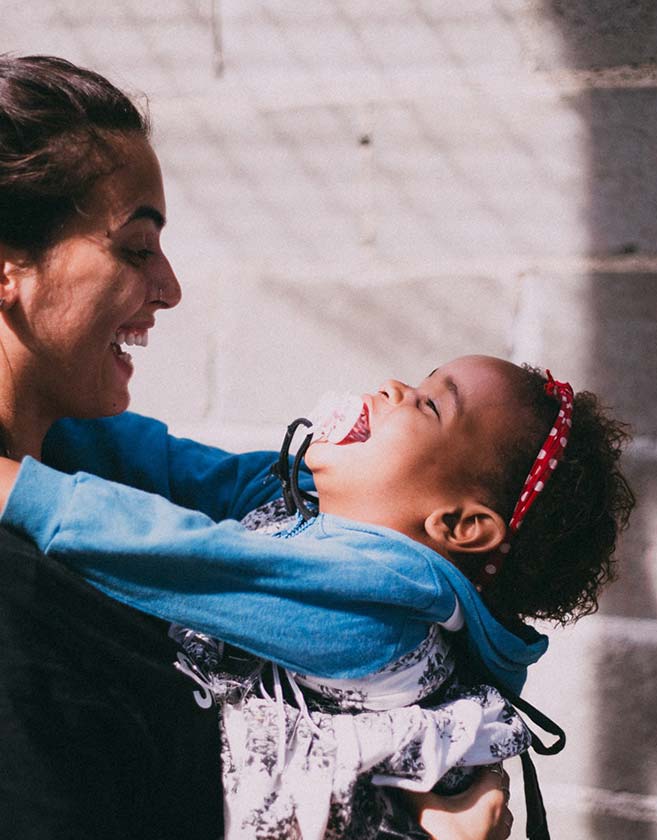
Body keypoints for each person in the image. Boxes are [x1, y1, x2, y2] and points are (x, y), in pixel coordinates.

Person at [0, 54, 513, 839]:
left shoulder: (82, 458)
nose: (169, 287)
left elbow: (207, 489)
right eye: (136, 248)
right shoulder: (24, 587)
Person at [0, 354, 635, 838]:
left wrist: (18, 489)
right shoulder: (307, 506)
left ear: (459, 525)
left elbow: (194, 560)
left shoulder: (379, 613)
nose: (393, 389)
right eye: (420, 379)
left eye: (430, 407)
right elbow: (168, 464)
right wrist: (44, 410)